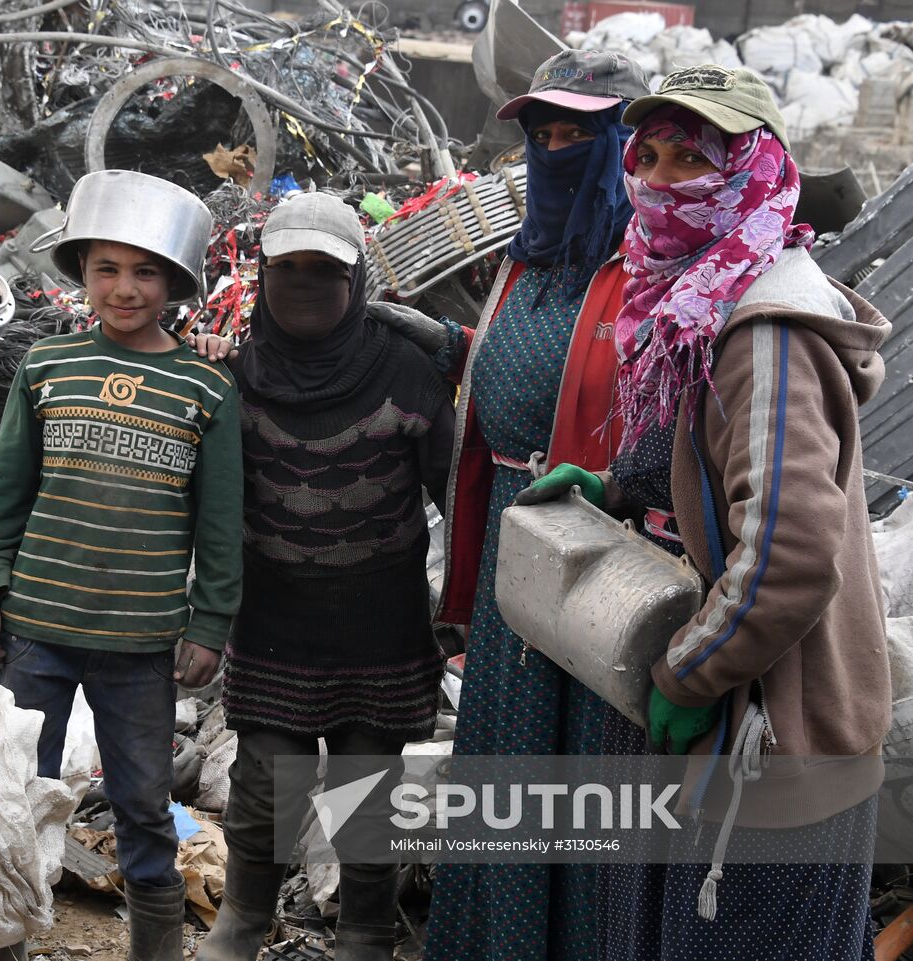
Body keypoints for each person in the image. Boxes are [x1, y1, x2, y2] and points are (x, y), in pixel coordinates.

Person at [517, 64, 891, 960]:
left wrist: (687, 675)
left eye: (695, 156)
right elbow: (720, 454)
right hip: (735, 725)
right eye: (649, 154)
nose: (662, 177)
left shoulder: (766, 333)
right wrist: (624, 485)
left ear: (756, 168)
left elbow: (788, 555)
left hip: (774, 742)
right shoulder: (706, 294)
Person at [366, 50, 651, 961]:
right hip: (506, 541)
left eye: (581, 134)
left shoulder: (651, 271)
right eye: (546, 136)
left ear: (626, 144)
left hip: (596, 546)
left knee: (583, 762)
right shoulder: (527, 261)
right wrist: (454, 345)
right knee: (506, 748)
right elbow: (525, 364)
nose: (559, 151)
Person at [0, 172, 243, 961]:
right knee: (20, 795)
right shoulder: (47, 368)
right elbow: (5, 490)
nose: (125, 288)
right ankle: (3, 944)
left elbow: (221, 525)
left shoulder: (205, 387)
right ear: (81, 271)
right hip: (37, 630)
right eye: (107, 268)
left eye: (146, 271)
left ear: (176, 283)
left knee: (143, 805)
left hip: (141, 645)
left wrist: (210, 622)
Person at [192, 192, 455, 961]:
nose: (304, 285)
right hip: (274, 622)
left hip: (382, 624)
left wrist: (469, 603)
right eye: (288, 269)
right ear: (262, 272)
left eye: (325, 271)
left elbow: (453, 486)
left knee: (366, 784)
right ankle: (242, 918)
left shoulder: (403, 371)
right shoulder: (233, 375)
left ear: (358, 280)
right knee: (266, 779)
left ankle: (367, 930)